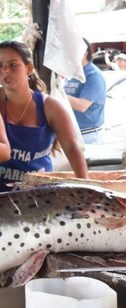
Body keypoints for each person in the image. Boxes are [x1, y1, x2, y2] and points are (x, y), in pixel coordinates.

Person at [0, 41, 88, 192]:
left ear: (29, 68)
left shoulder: (51, 107)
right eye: (0, 66)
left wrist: (86, 189)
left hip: (40, 194)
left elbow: (72, 148)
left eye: (13, 65)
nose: (5, 71)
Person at [64, 38, 106, 145]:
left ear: (84, 53)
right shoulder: (72, 73)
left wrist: (56, 95)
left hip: (88, 135)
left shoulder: (93, 75)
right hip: (72, 132)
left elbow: (82, 105)